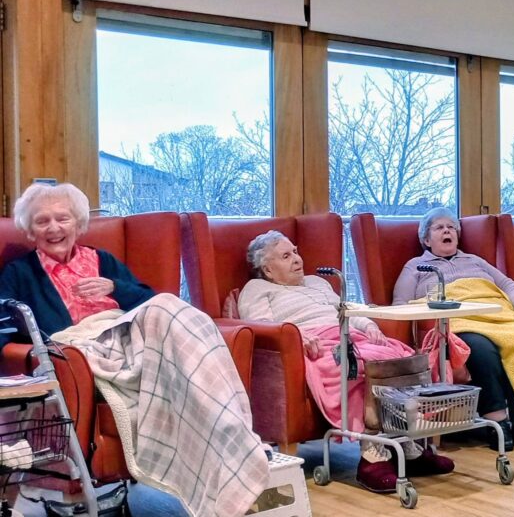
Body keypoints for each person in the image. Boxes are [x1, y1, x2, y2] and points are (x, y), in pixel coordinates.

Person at [0, 183, 268, 516]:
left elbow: (147, 299)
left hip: (128, 335)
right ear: (29, 229)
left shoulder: (102, 261)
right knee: (165, 307)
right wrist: (23, 357)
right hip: (80, 346)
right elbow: (6, 328)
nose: (54, 228)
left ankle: (229, 429)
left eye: (62, 219)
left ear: (78, 224)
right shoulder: (19, 272)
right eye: (42, 221)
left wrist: (114, 287)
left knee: (168, 305)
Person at [238, 230, 454, 493]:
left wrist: (369, 324)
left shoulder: (318, 283)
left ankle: (407, 446)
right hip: (314, 345)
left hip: (349, 335)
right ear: (268, 270)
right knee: (361, 367)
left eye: (295, 251)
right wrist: (299, 336)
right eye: (286, 256)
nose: (297, 259)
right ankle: (372, 457)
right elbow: (261, 325)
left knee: (401, 358)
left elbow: (345, 310)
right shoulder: (258, 288)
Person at [393, 207, 514, 451]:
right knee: (480, 347)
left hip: (494, 313)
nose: (447, 230)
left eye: (451, 227)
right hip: (456, 321)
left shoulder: (475, 260)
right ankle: (497, 419)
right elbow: (401, 305)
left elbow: (508, 285)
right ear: (426, 240)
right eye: (439, 227)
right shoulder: (416, 266)